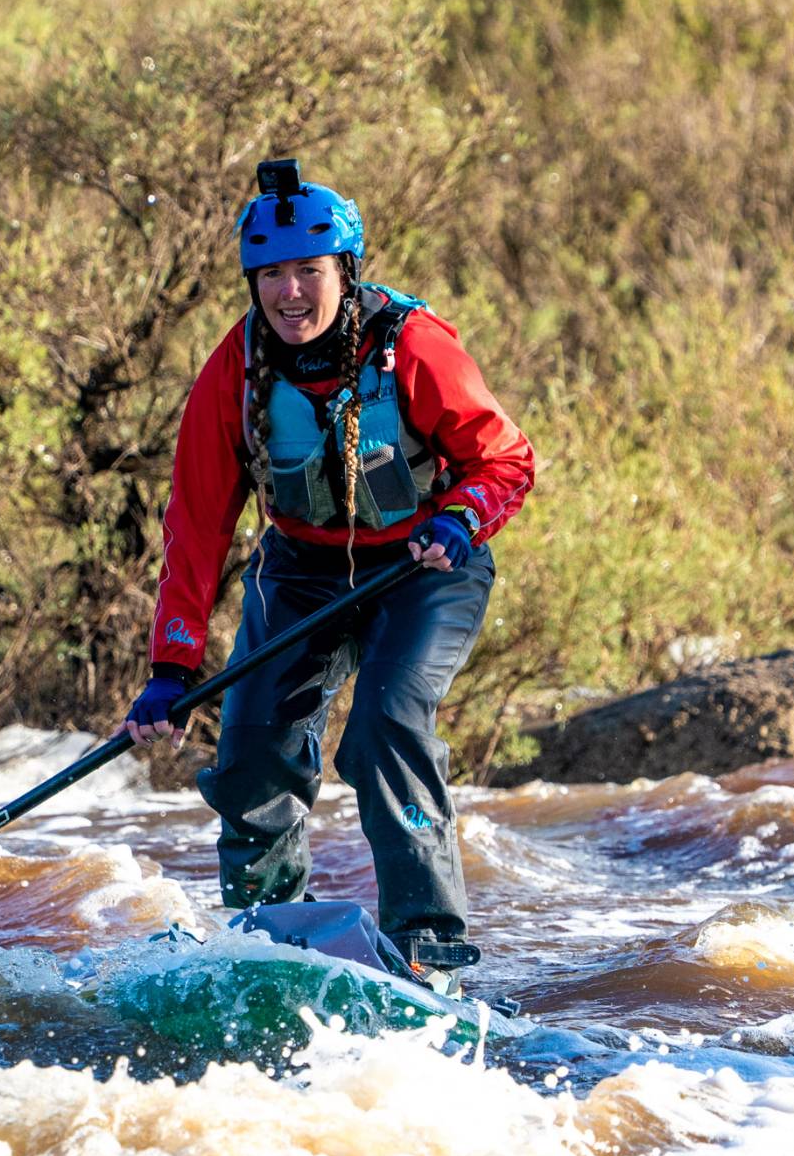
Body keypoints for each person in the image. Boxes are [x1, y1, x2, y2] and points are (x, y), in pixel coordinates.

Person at [122, 158, 535, 994]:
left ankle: (428, 949)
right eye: (271, 274)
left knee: (383, 728)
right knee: (248, 752)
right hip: (305, 571)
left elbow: (506, 460)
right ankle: (264, 939)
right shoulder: (232, 372)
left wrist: (461, 521)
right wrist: (172, 668)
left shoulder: (413, 343)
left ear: (344, 271)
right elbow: (197, 524)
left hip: (427, 568)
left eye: (309, 271)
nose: (290, 294)